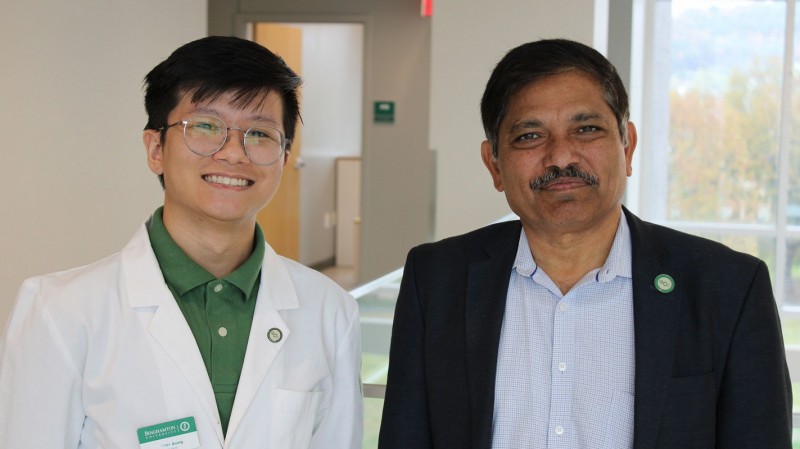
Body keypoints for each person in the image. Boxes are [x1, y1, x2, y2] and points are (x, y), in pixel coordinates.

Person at [378, 39, 791, 449]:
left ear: (627, 145)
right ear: (495, 164)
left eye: (586, 129)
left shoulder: (729, 287)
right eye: (529, 136)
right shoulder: (436, 280)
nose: (561, 156)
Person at [0, 36, 363, 449]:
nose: (233, 154)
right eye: (206, 127)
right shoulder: (60, 311)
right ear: (156, 148)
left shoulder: (330, 312)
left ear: (283, 158)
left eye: (260, 133)